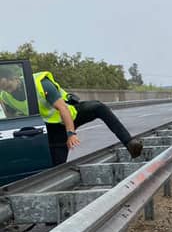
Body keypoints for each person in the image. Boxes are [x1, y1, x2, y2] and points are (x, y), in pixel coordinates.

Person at [0, 65, 143, 165]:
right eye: (4, 89)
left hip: (70, 115)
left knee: (98, 107)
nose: (8, 91)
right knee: (57, 166)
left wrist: (71, 133)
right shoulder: (5, 97)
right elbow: (12, 119)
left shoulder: (40, 83)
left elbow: (63, 108)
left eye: (8, 86)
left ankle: (129, 143)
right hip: (53, 129)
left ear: (14, 77)